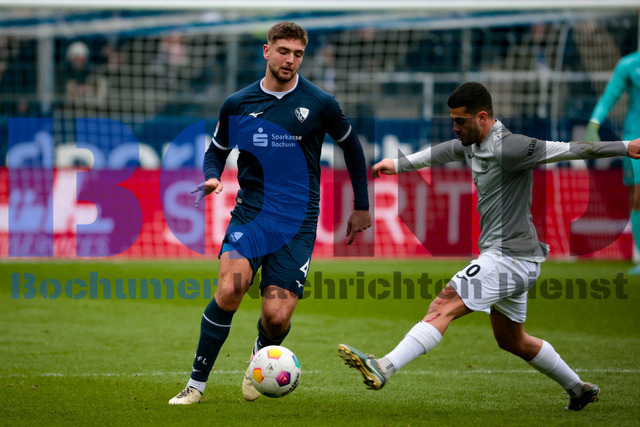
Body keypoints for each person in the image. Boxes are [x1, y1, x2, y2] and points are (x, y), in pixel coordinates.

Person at [338, 82, 640, 411]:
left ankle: (384, 366)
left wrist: (626, 146)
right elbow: (442, 152)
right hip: (512, 259)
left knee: (443, 304)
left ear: (482, 117)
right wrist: (398, 164)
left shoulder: (511, 147)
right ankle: (578, 388)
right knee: (512, 339)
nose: (455, 128)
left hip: (510, 257)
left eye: (460, 121)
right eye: (453, 121)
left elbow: (571, 149)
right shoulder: (472, 143)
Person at [169, 21, 372, 405]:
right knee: (230, 289)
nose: (290, 60)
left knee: (277, 318)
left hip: (298, 221)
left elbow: (352, 148)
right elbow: (216, 152)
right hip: (252, 214)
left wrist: (361, 205)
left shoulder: (320, 103)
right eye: (283, 51)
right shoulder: (238, 104)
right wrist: (212, 176)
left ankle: (258, 356)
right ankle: (195, 385)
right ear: (267, 51)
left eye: (298, 54)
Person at [584, 50, 640, 274]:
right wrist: (594, 123)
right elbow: (611, 95)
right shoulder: (629, 64)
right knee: (638, 197)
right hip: (636, 137)